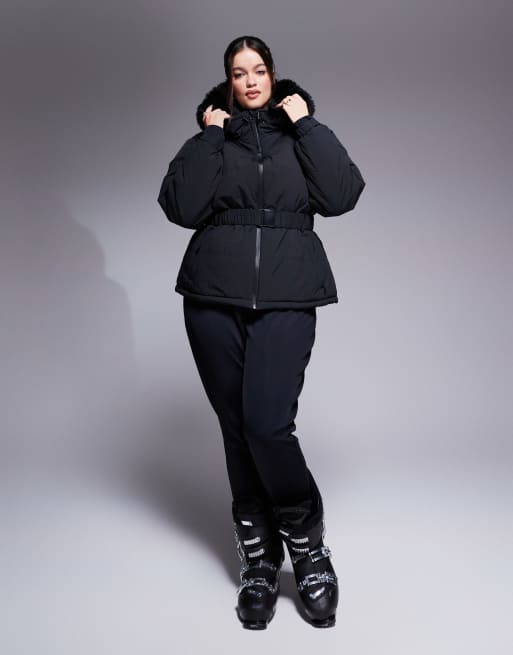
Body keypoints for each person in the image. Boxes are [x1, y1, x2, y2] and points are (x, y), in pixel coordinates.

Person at [157, 35, 365, 630]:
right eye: (238, 72)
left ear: (273, 76)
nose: (249, 81)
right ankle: (259, 557)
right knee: (236, 429)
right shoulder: (213, 138)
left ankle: (307, 545)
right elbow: (179, 207)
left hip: (289, 293)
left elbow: (343, 195)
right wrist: (209, 136)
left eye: (258, 70)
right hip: (211, 297)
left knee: (267, 424)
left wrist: (308, 126)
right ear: (227, 82)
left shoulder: (299, 135)